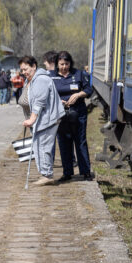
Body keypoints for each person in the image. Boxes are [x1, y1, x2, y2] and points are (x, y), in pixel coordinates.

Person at [18, 56, 65, 186]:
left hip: (46, 119)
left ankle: (47, 175)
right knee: (38, 146)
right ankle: (45, 173)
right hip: (40, 120)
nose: (24, 72)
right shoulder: (31, 79)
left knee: (43, 146)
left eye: (26, 69)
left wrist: (32, 119)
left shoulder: (40, 79)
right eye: (22, 70)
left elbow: (39, 101)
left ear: (34, 66)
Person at [52, 51, 93, 182]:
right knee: (64, 142)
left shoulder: (79, 74)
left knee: (80, 141)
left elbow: (89, 90)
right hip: (61, 114)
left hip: (78, 113)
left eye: (67, 64)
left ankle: (85, 172)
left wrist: (78, 95)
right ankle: (67, 172)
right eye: (61, 64)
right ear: (57, 64)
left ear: (70, 63)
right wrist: (58, 101)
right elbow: (47, 94)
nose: (64, 67)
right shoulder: (51, 77)